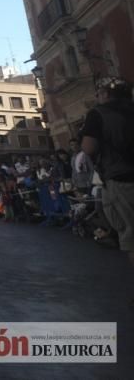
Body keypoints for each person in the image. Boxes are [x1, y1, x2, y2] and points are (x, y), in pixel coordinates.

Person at [80, 76, 134, 304]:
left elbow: (89, 147)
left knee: (131, 235)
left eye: (99, 93)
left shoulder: (99, 114)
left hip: (122, 179)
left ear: (105, 94)